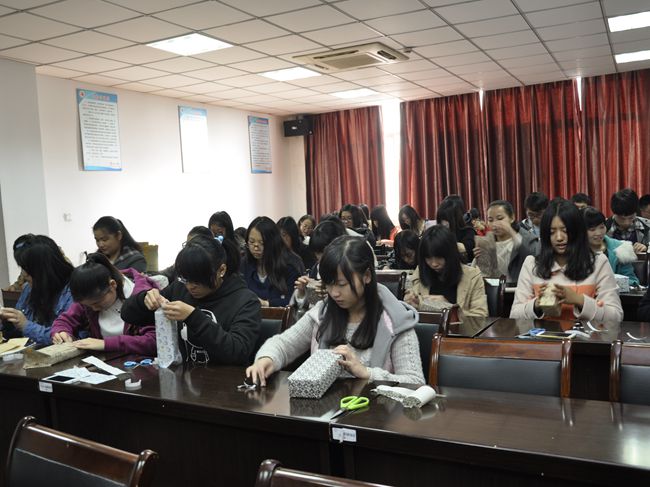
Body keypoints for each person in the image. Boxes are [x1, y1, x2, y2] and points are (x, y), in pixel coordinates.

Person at [246, 236, 424, 386]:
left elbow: (415, 382)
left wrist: (367, 373)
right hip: (327, 411)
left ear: (367, 276)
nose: (334, 293)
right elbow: (284, 344)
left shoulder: (395, 321)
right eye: (329, 284)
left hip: (377, 414)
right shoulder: (323, 313)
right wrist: (266, 359)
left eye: (341, 284)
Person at [122, 235, 260, 365]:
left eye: (198, 281)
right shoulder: (180, 289)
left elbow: (238, 352)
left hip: (227, 380)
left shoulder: (246, 301)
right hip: (185, 377)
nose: (190, 287)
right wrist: (144, 300)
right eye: (185, 279)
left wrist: (193, 317)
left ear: (221, 270)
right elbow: (128, 315)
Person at [511, 199, 623, 322]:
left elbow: (615, 316)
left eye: (565, 231)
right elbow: (515, 315)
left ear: (577, 231)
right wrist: (537, 304)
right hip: (544, 334)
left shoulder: (598, 263)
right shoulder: (532, 264)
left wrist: (578, 300)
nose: (559, 238)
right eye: (552, 232)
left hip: (584, 334)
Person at [51, 253, 158, 355]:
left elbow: (154, 341)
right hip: (109, 360)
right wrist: (61, 331)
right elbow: (65, 320)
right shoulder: (90, 297)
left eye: (97, 302)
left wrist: (106, 344)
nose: (94, 308)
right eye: (88, 306)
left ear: (112, 285)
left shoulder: (145, 298)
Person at [0, 235, 74, 345]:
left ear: (44, 269)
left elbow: (67, 340)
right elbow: (17, 332)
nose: (24, 274)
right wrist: (7, 321)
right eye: (22, 268)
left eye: (27, 269)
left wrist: (26, 326)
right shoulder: (29, 288)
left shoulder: (72, 291)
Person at [404, 226, 487, 318]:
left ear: (451, 254)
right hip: (425, 327)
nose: (434, 264)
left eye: (439, 257)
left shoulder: (472, 276)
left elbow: (480, 318)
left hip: (459, 327)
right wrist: (410, 304)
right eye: (428, 258)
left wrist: (449, 308)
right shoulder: (420, 272)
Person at [241, 216, 305, 307]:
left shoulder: (289, 266)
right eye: (251, 242)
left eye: (262, 243)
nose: (256, 248)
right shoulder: (243, 265)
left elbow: (292, 300)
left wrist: (266, 303)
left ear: (273, 243)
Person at [473, 200, 539, 283]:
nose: (495, 224)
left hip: (518, 288)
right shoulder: (487, 242)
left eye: (500, 219)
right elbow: (477, 274)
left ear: (512, 218)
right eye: (490, 220)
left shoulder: (528, 240)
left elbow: (535, 264)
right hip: (493, 289)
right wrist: (478, 259)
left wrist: (511, 232)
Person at [582, 207, 639, 286]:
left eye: (602, 227)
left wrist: (611, 282)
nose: (598, 233)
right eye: (592, 229)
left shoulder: (620, 249)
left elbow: (633, 281)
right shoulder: (573, 250)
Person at [606, 188, 650, 253]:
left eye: (631, 218)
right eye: (621, 219)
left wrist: (647, 248)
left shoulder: (647, 226)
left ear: (636, 212)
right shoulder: (604, 228)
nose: (626, 223)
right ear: (614, 213)